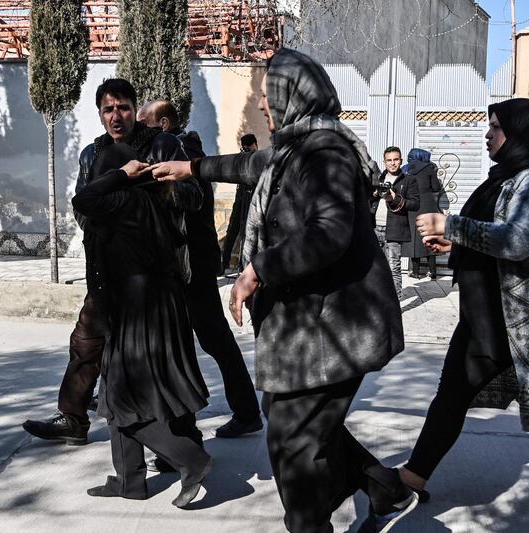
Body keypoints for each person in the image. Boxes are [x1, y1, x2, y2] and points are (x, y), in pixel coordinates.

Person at [148, 48, 417, 533]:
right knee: (292, 418)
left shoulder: (327, 153)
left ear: (294, 94)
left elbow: (329, 232)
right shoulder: (298, 149)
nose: (265, 105)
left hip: (341, 325)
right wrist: (192, 168)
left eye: (271, 93)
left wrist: (257, 269)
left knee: (294, 447)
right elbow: (252, 166)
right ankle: (384, 487)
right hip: (313, 326)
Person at [399, 98, 529, 523]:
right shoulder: (510, 177)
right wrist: (457, 243)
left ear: (520, 131)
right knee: (452, 393)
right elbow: (498, 235)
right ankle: (411, 479)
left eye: (495, 126)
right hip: (490, 315)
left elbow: (518, 239)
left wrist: (451, 225)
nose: (487, 134)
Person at [22, 79, 202, 446]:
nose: (115, 116)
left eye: (122, 107)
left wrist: (159, 187)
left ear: (135, 110)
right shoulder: (92, 154)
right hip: (107, 268)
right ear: (100, 114)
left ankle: (183, 438)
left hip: (155, 272)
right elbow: (83, 205)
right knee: (85, 342)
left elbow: (194, 197)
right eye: (108, 109)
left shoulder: (164, 144)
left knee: (163, 356)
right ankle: (73, 418)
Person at [73, 142, 212, 508]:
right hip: (155, 305)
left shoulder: (123, 200)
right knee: (114, 390)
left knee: (118, 399)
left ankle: (190, 460)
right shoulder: (155, 199)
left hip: (139, 308)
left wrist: (120, 175)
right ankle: (129, 479)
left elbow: (82, 201)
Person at [138, 100, 263, 439]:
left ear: (162, 124)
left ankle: (232, 416)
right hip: (182, 261)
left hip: (192, 262)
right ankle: (237, 412)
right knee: (195, 338)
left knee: (209, 337)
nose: (138, 130)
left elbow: (189, 201)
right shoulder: (173, 149)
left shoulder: (184, 152)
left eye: (143, 123)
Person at [372, 146, 420, 299]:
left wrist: (395, 198)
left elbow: (415, 204)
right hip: (374, 228)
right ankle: (377, 301)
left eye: (395, 159)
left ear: (401, 160)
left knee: (393, 268)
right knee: (374, 268)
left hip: (394, 230)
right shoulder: (378, 179)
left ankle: (394, 305)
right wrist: (371, 194)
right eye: (389, 160)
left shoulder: (409, 180)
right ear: (384, 162)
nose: (392, 163)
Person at [220, 134, 258, 274]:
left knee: (246, 234)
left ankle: (244, 267)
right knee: (231, 233)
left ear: (255, 145)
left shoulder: (258, 159)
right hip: (240, 201)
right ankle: (223, 264)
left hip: (251, 202)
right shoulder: (242, 158)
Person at [400, 148, 440, 279]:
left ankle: (415, 272)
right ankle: (433, 272)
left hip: (412, 205)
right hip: (428, 205)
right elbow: (436, 188)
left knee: (414, 239)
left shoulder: (405, 169)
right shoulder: (429, 168)